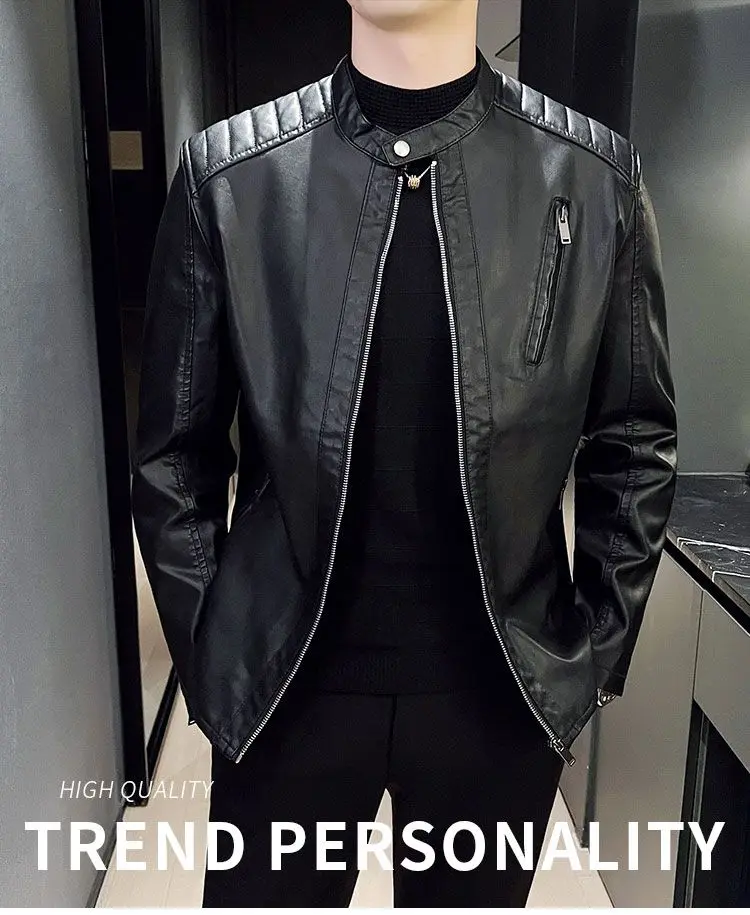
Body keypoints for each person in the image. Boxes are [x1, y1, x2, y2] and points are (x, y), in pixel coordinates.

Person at [131, 0, 678, 906]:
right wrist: (213, 650)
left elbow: (634, 441)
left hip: (497, 698)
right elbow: (173, 455)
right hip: (285, 693)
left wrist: (587, 656)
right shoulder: (233, 175)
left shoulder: (592, 178)